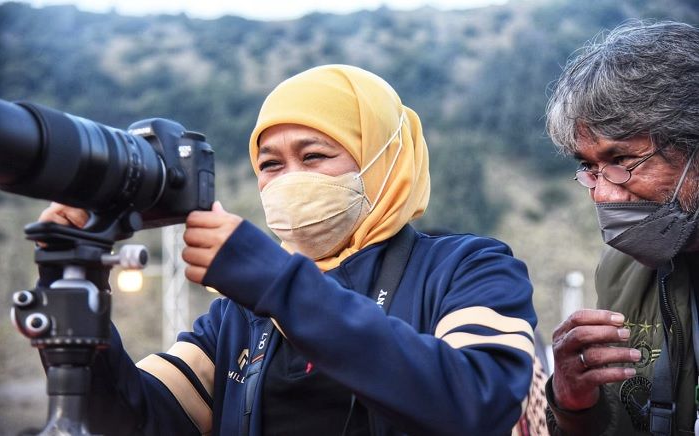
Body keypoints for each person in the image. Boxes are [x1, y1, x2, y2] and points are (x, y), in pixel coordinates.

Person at [37, 64, 536, 435]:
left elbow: (480, 401)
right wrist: (76, 293)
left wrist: (276, 283)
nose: (290, 180)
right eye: (271, 164)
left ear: (384, 161)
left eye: (315, 155)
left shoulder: (469, 267)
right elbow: (134, 420)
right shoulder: (235, 316)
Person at [544, 21, 699, 435]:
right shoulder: (621, 268)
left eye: (622, 161)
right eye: (590, 169)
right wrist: (575, 404)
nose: (603, 196)